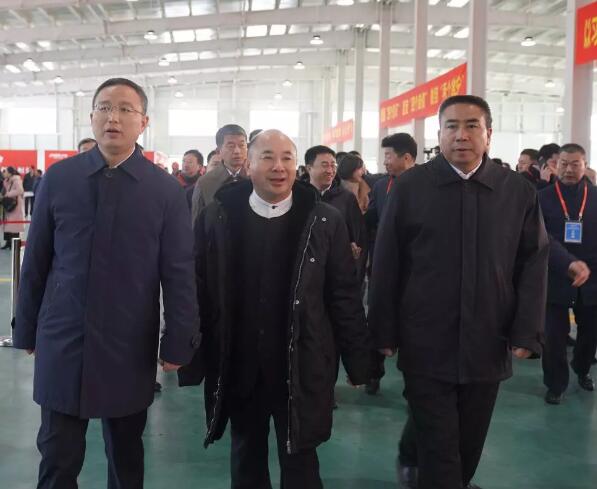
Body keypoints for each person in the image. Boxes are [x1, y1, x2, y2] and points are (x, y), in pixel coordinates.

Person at [12, 77, 200, 489]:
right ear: (92, 116)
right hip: (65, 336)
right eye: (104, 107)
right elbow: (36, 261)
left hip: (128, 342)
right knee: (57, 456)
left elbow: (179, 272)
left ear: (143, 122)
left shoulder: (164, 191)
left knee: (126, 455)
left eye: (125, 109)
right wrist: (26, 327)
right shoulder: (59, 179)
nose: (113, 117)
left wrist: (178, 340)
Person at [369, 95, 548, 489]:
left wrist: (526, 331)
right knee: (440, 451)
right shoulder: (411, 187)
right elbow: (387, 261)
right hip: (425, 339)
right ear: (439, 134)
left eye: (471, 126)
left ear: (489, 134)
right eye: (452, 126)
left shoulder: (516, 191)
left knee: (467, 445)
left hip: (487, 340)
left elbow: (533, 263)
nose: (461, 135)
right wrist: (383, 330)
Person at [179, 129, 370, 489]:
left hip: (301, 362)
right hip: (240, 364)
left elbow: (343, 295)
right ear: (248, 165)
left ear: (297, 167)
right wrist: (190, 356)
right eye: (267, 157)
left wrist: (359, 361)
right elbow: (199, 289)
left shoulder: (324, 220)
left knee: (301, 459)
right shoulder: (219, 217)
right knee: (245, 454)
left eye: (287, 158)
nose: (278, 167)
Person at [539, 143, 597, 404]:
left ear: (585, 166)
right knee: (553, 336)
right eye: (564, 163)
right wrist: (568, 263)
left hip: (591, 276)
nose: (569, 169)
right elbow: (541, 238)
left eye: (575, 164)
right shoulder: (542, 198)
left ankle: (582, 369)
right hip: (555, 273)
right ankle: (555, 383)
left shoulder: (594, 197)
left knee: (590, 332)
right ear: (555, 165)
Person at [190, 124, 248, 224]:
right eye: (231, 146)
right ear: (219, 151)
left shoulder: (255, 179)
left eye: (242, 145)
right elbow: (197, 223)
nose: (237, 151)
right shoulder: (205, 183)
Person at [1, 166, 25, 250]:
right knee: (8, 225)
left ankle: (14, 244)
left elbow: (20, 190)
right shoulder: (6, 181)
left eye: (6, 172)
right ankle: (8, 242)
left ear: (10, 173)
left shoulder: (16, 180)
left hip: (15, 205)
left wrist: (8, 194)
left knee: (14, 226)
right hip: (8, 204)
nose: (4, 173)